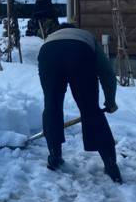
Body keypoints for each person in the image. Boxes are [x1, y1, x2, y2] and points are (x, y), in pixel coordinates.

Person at [38, 23, 122, 183]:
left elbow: (45, 79)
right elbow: (107, 72)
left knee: (52, 106)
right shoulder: (86, 36)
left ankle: (54, 156)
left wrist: (51, 94)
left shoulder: (49, 39)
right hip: (79, 53)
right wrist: (110, 101)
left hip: (47, 55)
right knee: (90, 109)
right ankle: (110, 163)